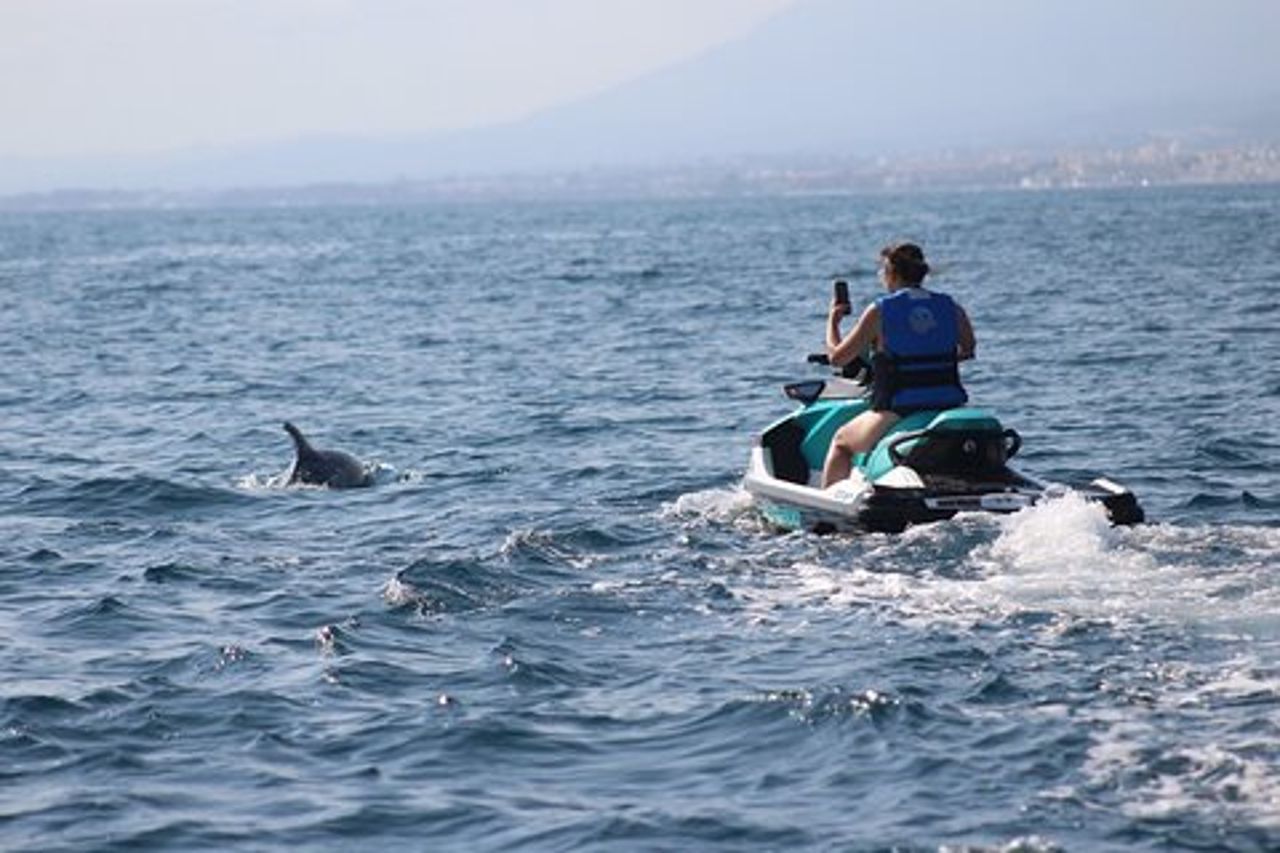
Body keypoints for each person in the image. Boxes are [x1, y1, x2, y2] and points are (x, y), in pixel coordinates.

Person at [821, 242, 976, 487]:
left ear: (891, 273)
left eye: (882, 270)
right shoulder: (952, 307)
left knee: (841, 443)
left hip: (898, 410)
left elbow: (838, 358)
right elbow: (967, 350)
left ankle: (828, 506)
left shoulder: (880, 310)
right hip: (947, 404)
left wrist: (833, 320)